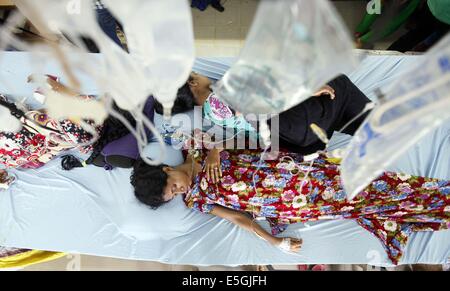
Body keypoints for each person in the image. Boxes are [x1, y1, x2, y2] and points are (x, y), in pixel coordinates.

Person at [131, 148, 450, 264]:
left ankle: (430, 200)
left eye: (172, 185)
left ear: (166, 169)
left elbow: (249, 133)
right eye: (173, 196)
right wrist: (275, 242)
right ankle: (428, 208)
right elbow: (238, 219)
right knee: (359, 199)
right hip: (292, 203)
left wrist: (216, 149)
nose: (179, 190)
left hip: (291, 171)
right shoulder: (196, 201)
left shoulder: (198, 146)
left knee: (367, 183)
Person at [154, 72, 372, 155]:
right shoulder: (221, 98)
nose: (200, 74)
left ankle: (365, 127)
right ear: (192, 83)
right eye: (194, 74)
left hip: (296, 137)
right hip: (296, 123)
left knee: (338, 109)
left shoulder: (210, 114)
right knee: (339, 84)